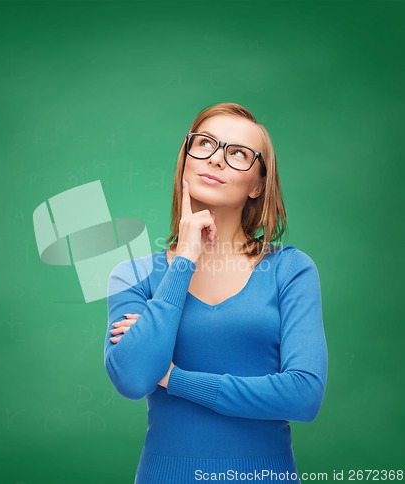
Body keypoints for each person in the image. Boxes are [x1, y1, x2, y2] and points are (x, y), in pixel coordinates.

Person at [104, 102, 328, 483]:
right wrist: (184, 260)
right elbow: (133, 378)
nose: (217, 160)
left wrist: (175, 379)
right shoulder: (133, 275)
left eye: (239, 153)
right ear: (186, 160)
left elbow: (304, 395)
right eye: (205, 144)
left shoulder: (291, 270)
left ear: (258, 184)